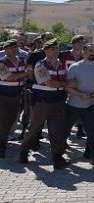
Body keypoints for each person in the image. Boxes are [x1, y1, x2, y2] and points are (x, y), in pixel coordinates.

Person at [18, 39, 71, 169]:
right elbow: (48, 83)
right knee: (34, 129)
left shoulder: (62, 64)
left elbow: (66, 81)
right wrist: (65, 84)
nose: (55, 51)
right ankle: (24, 152)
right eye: (52, 49)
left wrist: (66, 86)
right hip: (42, 102)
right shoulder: (40, 65)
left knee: (57, 131)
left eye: (57, 48)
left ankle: (57, 157)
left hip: (58, 101)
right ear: (45, 51)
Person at [64, 42, 94, 165]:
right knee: (64, 130)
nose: (92, 53)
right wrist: (80, 94)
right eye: (90, 51)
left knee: (92, 131)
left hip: (90, 105)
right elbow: (67, 87)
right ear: (84, 51)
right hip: (73, 105)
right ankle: (58, 154)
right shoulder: (74, 67)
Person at [0, 39, 32, 158]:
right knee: (3, 121)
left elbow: (30, 73)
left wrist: (27, 74)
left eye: (15, 47)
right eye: (11, 47)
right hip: (3, 95)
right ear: (6, 49)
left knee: (11, 120)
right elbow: (8, 77)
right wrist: (25, 74)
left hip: (17, 94)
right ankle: (1, 147)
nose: (14, 49)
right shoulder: (1, 62)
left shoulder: (22, 60)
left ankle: (3, 141)